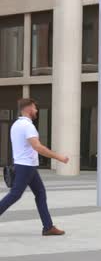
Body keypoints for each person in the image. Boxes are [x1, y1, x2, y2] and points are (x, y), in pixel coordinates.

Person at [0, 98, 69, 236]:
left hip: (26, 165)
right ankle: (48, 227)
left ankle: (48, 227)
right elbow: (38, 147)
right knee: (15, 194)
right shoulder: (28, 126)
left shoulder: (16, 125)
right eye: (35, 108)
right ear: (29, 108)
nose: (36, 110)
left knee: (40, 193)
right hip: (26, 166)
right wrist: (59, 157)